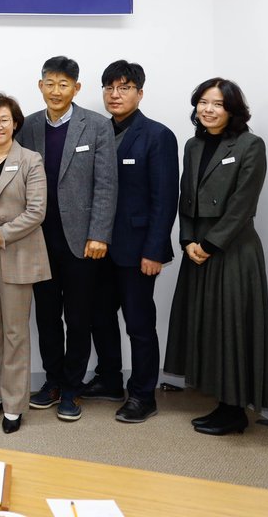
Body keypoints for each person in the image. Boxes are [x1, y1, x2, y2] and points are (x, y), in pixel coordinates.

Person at [165, 78, 268, 436]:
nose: (208, 109)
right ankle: (220, 403)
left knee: (231, 328)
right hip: (197, 249)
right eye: (203, 102)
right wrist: (187, 241)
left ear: (232, 110)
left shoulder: (250, 145)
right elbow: (186, 197)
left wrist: (210, 245)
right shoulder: (193, 145)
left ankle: (234, 411)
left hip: (232, 249)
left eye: (217, 104)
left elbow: (243, 204)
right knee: (207, 327)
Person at [15, 55, 116, 422]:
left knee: (78, 317)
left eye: (64, 84)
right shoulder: (27, 126)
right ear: (40, 85)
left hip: (82, 241)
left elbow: (106, 184)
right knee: (46, 317)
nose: (56, 91)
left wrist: (99, 234)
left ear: (76, 88)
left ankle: (73, 387)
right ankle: (53, 381)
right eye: (50, 83)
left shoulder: (97, 126)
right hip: (38, 240)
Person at [90, 60, 179, 423]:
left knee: (139, 324)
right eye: (109, 87)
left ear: (140, 93)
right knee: (99, 316)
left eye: (124, 88)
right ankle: (110, 379)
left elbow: (165, 199)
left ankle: (143, 394)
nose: (115, 94)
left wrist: (154, 250)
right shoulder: (97, 132)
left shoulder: (157, 135)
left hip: (139, 249)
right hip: (99, 247)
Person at [0, 93, 49, 434]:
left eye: (4, 120)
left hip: (16, 254)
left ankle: (14, 405)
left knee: (15, 332)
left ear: (15, 123)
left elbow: (36, 212)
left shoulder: (30, 159)